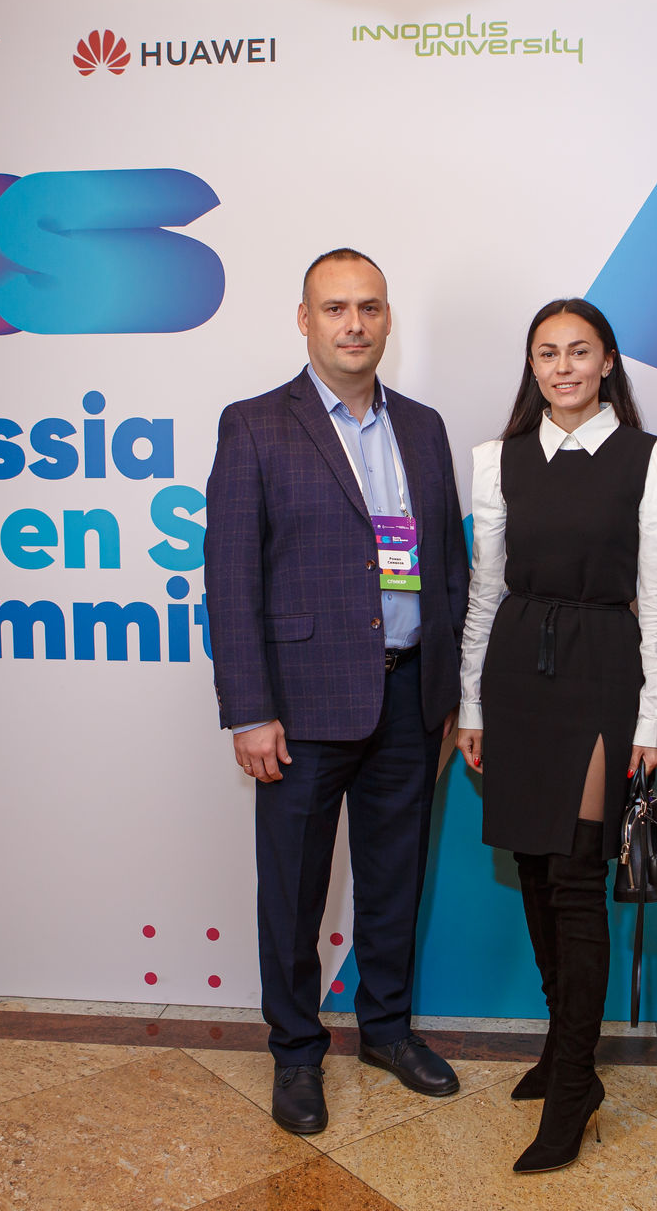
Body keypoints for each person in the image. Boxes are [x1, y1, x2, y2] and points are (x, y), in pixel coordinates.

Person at [205, 248, 470, 1136]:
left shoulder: (423, 428)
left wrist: (452, 692)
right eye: (335, 308)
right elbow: (231, 581)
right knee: (293, 892)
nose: (354, 324)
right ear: (304, 319)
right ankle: (295, 1052)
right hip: (301, 704)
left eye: (369, 307)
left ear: (388, 319)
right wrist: (249, 710)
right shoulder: (254, 425)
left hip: (409, 697)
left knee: (395, 880)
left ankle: (387, 1031)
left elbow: (449, 568)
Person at [456, 298, 657, 1173]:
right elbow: (485, 592)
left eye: (579, 351)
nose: (563, 367)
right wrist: (472, 704)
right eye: (547, 353)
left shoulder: (655, 459)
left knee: (576, 877)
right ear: (533, 366)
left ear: (607, 362)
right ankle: (562, 1044)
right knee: (531, 865)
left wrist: (652, 717)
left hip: (601, 669)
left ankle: (573, 1085)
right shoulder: (497, 459)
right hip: (518, 668)